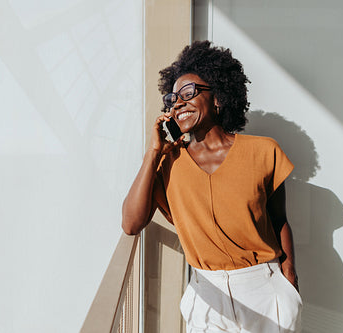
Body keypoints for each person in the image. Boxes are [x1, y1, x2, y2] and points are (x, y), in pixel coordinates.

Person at [122, 41, 302, 333]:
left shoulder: (263, 151)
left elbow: (279, 219)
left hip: (265, 289)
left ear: (218, 98)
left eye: (189, 93)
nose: (178, 102)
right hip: (207, 292)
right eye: (172, 99)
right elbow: (131, 224)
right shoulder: (168, 162)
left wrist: (290, 278)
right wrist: (154, 152)